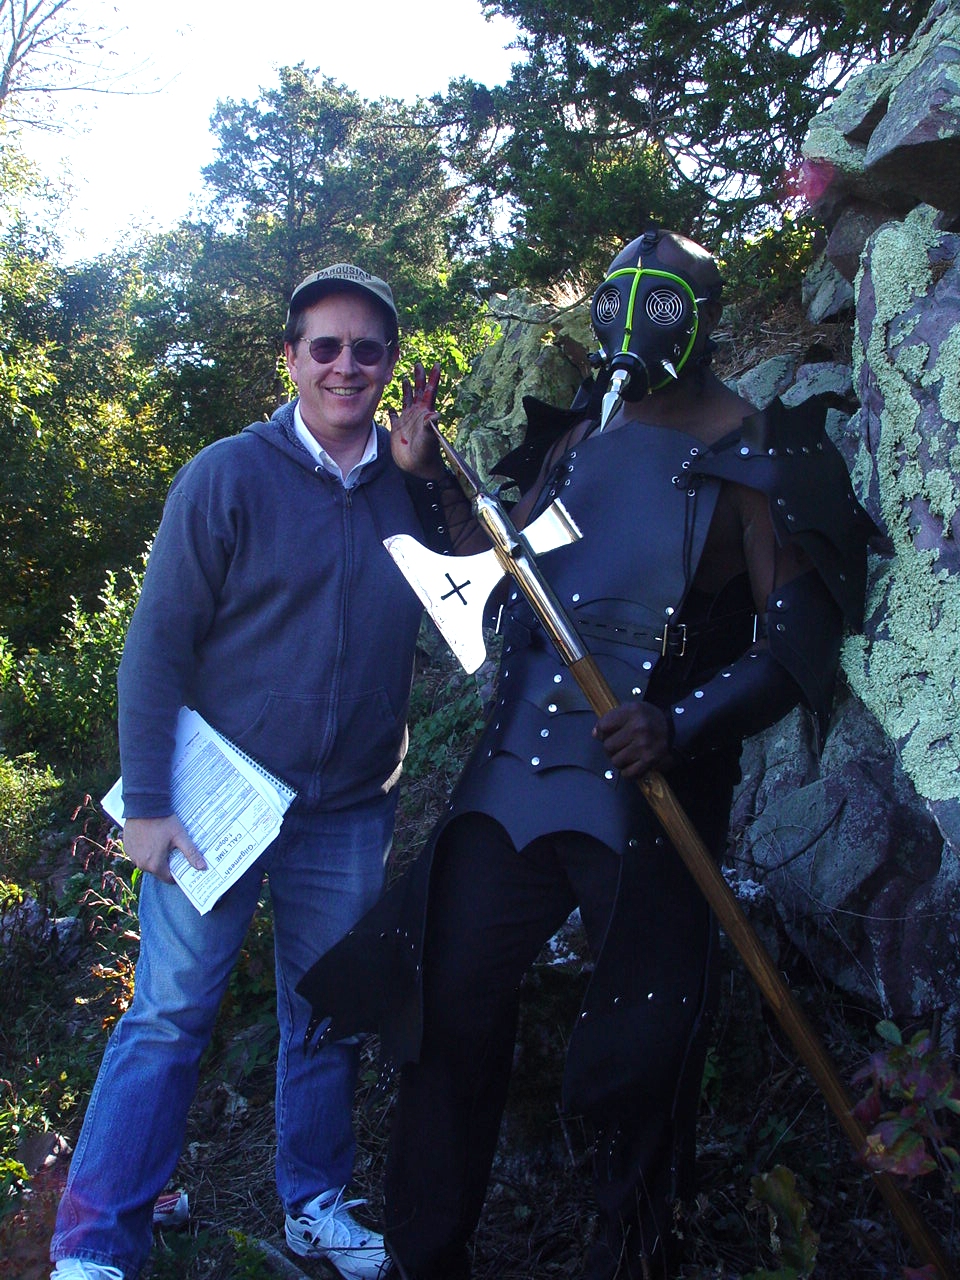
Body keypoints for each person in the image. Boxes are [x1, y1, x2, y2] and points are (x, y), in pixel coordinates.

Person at [297, 230, 875, 1279]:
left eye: (660, 302)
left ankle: (636, 1255)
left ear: (699, 313)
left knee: (646, 1049)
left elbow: (795, 638)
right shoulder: (576, 443)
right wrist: (430, 483)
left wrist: (681, 721)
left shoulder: (759, 447)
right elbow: (497, 568)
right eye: (619, 299)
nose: (632, 321)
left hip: (650, 789)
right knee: (446, 1006)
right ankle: (428, 1257)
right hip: (516, 765)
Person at [49, 263, 467, 1280]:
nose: (346, 365)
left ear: (390, 366)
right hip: (216, 799)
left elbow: (477, 599)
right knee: (170, 1012)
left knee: (324, 1011)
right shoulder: (228, 474)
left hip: (349, 810)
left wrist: (429, 476)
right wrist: (145, 803)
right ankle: (97, 1242)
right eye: (325, 345)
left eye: (368, 349)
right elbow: (155, 646)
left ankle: (315, 1200)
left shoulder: (410, 485)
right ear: (289, 358)